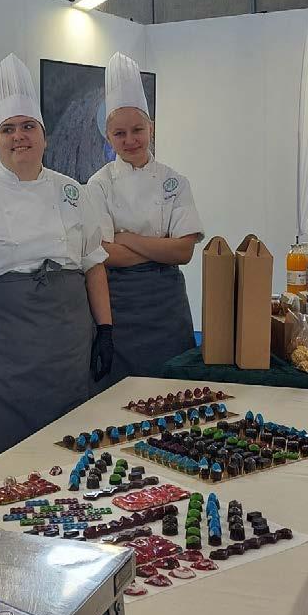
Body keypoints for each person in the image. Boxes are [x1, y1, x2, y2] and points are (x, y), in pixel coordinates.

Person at [0, 53, 113, 466]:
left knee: (68, 458)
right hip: (0, 358)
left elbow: (93, 264)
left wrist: (105, 329)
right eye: (8, 129)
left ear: (44, 136)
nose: (19, 137)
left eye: (28, 126)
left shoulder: (73, 192)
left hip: (65, 353)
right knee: (0, 464)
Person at [87, 51, 204, 387]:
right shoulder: (98, 185)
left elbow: (184, 251)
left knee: (174, 389)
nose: (130, 140)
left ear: (151, 128)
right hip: (120, 304)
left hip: (167, 303)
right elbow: (104, 254)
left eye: (137, 129)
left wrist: (127, 239)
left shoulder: (175, 182)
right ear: (108, 136)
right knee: (120, 395)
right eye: (120, 133)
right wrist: (160, 247)